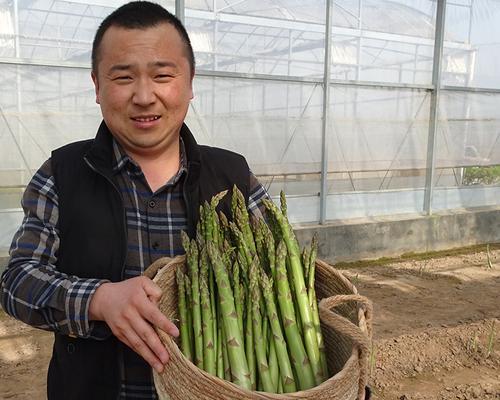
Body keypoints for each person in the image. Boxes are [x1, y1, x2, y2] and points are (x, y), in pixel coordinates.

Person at [0, 2, 268, 399]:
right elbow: (17, 281)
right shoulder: (60, 174)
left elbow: (286, 289)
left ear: (190, 82)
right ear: (97, 86)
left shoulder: (235, 177)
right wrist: (97, 299)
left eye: (162, 75)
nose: (144, 96)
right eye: (123, 77)